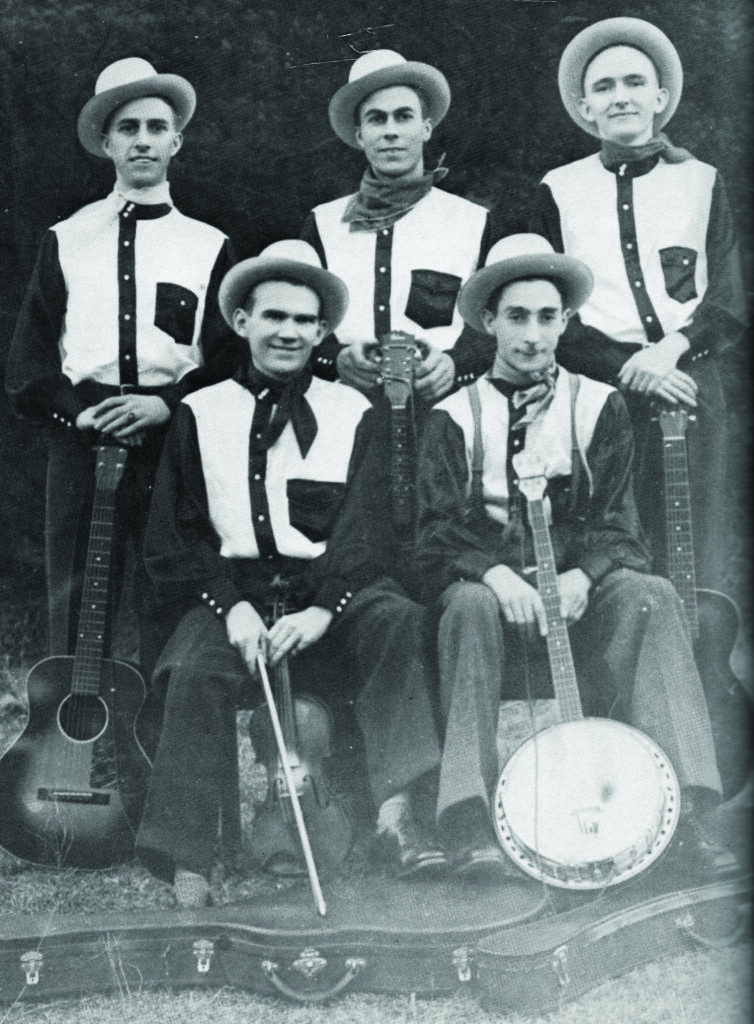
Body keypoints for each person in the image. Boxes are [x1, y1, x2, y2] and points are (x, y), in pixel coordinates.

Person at [413, 233, 738, 881]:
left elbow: (621, 526)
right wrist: (495, 572)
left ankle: (684, 813)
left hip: (578, 600)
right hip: (492, 600)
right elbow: (434, 535)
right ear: (487, 322)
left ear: (566, 321)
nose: (532, 335)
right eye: (516, 317)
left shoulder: (600, 404)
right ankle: (469, 820)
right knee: (468, 602)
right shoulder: (453, 415)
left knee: (650, 592)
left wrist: (582, 576)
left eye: (546, 317)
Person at [135, 241, 445, 906]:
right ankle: (192, 860)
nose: (289, 332)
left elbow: (367, 528)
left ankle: (399, 818)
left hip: (329, 592)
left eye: (305, 320)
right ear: (242, 323)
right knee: (190, 668)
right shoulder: (200, 410)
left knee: (398, 622)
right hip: (236, 592)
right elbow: (176, 532)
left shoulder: (352, 411)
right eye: (273, 316)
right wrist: (231, 607)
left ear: (324, 331)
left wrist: (324, 608)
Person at [6, 57, 240, 675]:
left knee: (170, 592)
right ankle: (76, 752)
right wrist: (82, 414)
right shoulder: (67, 238)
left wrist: (166, 403)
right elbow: (28, 365)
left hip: (173, 438)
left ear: (176, 141)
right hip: (84, 442)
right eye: (128, 127)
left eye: (156, 127)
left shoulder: (207, 245)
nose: (143, 139)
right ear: (106, 142)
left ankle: (154, 759)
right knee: (78, 603)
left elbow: (229, 355)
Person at [530, 17, 746, 588]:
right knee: (613, 538)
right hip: (604, 390)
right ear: (585, 106)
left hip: (691, 384)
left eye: (633, 82)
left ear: (660, 96)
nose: (620, 96)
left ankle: (702, 672)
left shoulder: (701, 181)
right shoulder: (558, 189)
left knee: (701, 545)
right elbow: (556, 313)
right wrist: (631, 368)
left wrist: (669, 355)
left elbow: (727, 298)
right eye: (603, 87)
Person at [301, 49, 494, 403]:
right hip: (342, 408)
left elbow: (494, 323)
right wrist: (334, 359)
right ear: (360, 135)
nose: (390, 131)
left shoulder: (472, 221)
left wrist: (455, 365)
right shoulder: (323, 223)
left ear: (426, 127)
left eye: (403, 116)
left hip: (443, 410)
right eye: (376, 119)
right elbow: (298, 317)